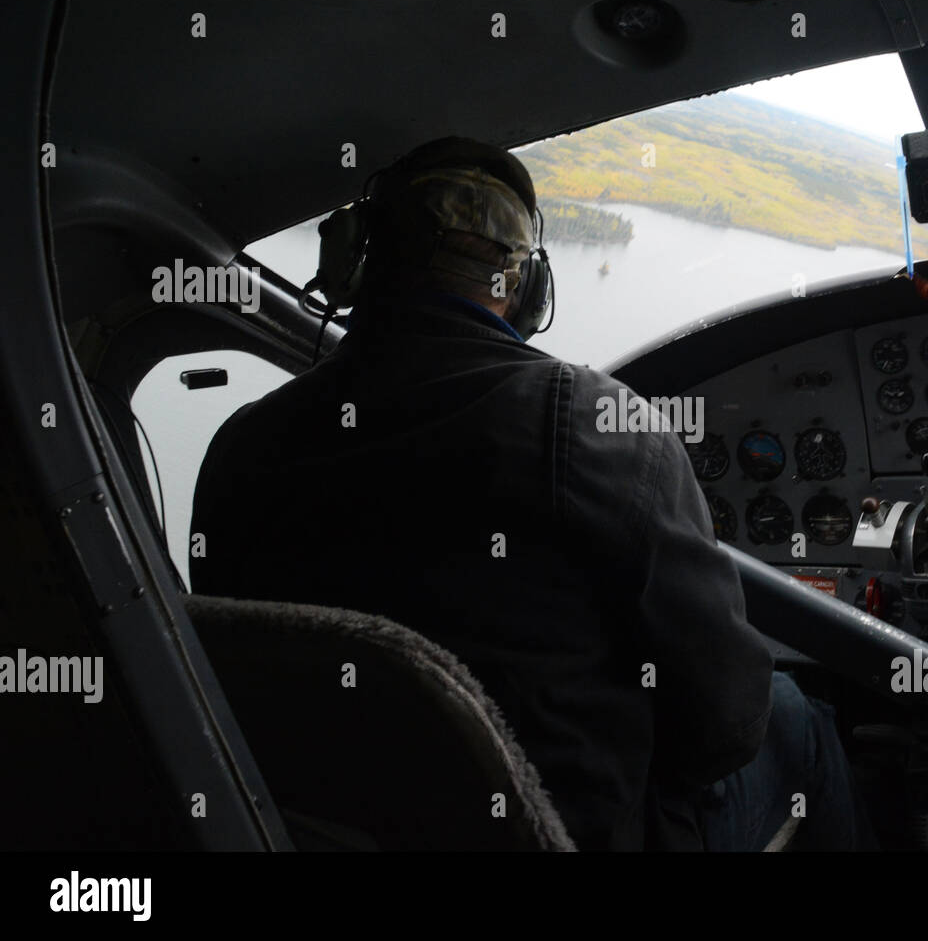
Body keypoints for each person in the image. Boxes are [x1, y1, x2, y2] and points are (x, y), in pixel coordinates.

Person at [190, 137, 869, 851]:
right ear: (524, 288)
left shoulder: (243, 445)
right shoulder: (591, 423)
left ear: (356, 262)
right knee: (798, 718)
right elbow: (726, 729)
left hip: (318, 834)